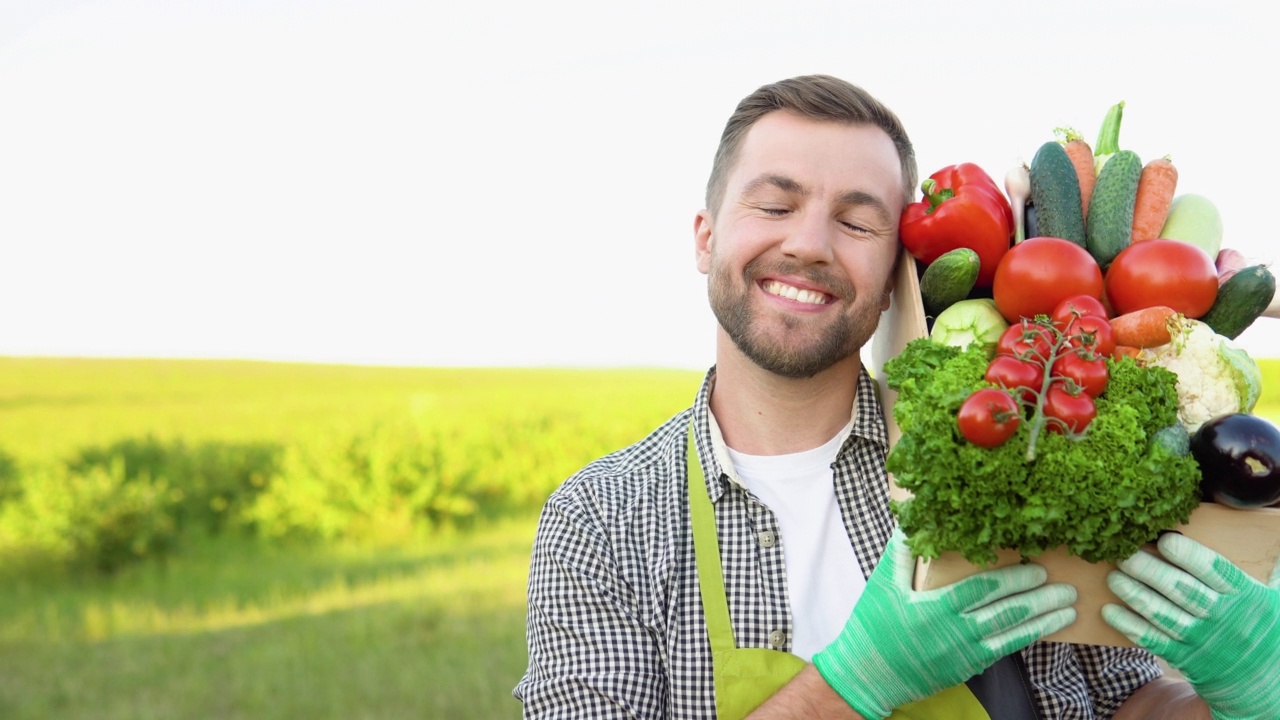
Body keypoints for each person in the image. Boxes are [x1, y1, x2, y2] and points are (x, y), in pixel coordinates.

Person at [513, 74, 1279, 719]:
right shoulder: (604, 523)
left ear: (896, 279)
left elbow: (1130, 704)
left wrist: (1249, 689)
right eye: (775, 206)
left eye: (856, 221)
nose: (810, 244)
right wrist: (855, 683)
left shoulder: (1010, 442)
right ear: (706, 236)